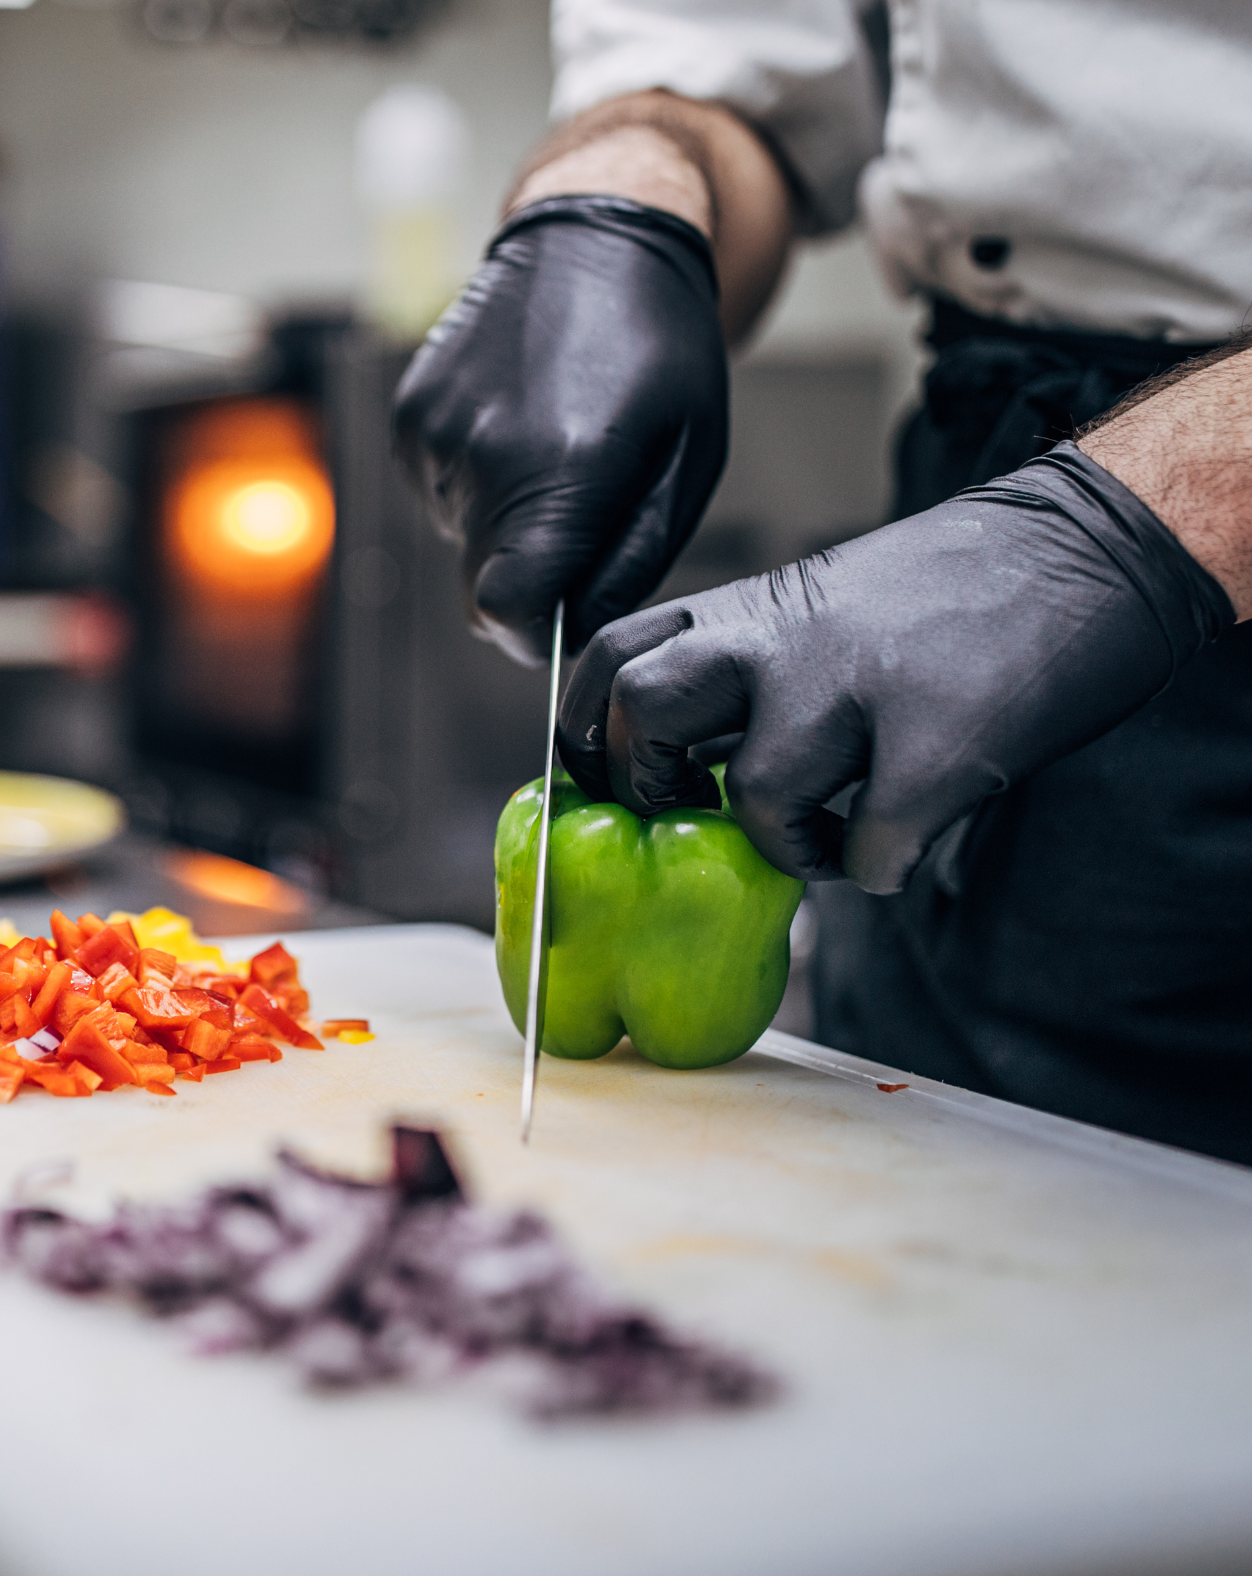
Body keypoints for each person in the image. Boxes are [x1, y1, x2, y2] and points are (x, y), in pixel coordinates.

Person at [392, 0, 1252, 1162]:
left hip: (1166, 499)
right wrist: (625, 203)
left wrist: (1141, 517)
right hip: (993, 479)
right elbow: (737, 74)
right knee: (948, 1192)